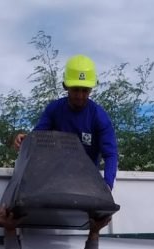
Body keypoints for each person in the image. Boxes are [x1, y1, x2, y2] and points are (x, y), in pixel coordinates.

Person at [13, 54, 118, 189]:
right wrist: (24, 140)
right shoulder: (54, 110)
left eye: (85, 90)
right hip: (55, 181)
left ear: (91, 89)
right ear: (65, 86)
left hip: (87, 184)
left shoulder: (99, 117)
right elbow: (37, 138)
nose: (80, 95)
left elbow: (110, 154)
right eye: (75, 89)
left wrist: (107, 185)